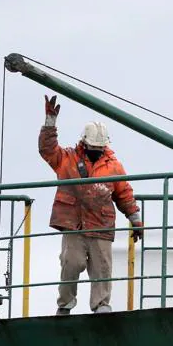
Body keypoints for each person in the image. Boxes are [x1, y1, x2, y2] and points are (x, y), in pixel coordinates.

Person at [38, 95, 144, 315]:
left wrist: (135, 219)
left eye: (99, 147)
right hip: (74, 224)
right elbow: (48, 151)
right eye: (92, 147)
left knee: (102, 268)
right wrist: (50, 122)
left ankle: (101, 305)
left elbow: (124, 193)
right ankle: (65, 305)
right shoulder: (66, 159)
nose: (96, 150)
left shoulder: (113, 167)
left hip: (101, 226)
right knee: (70, 263)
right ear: (83, 143)